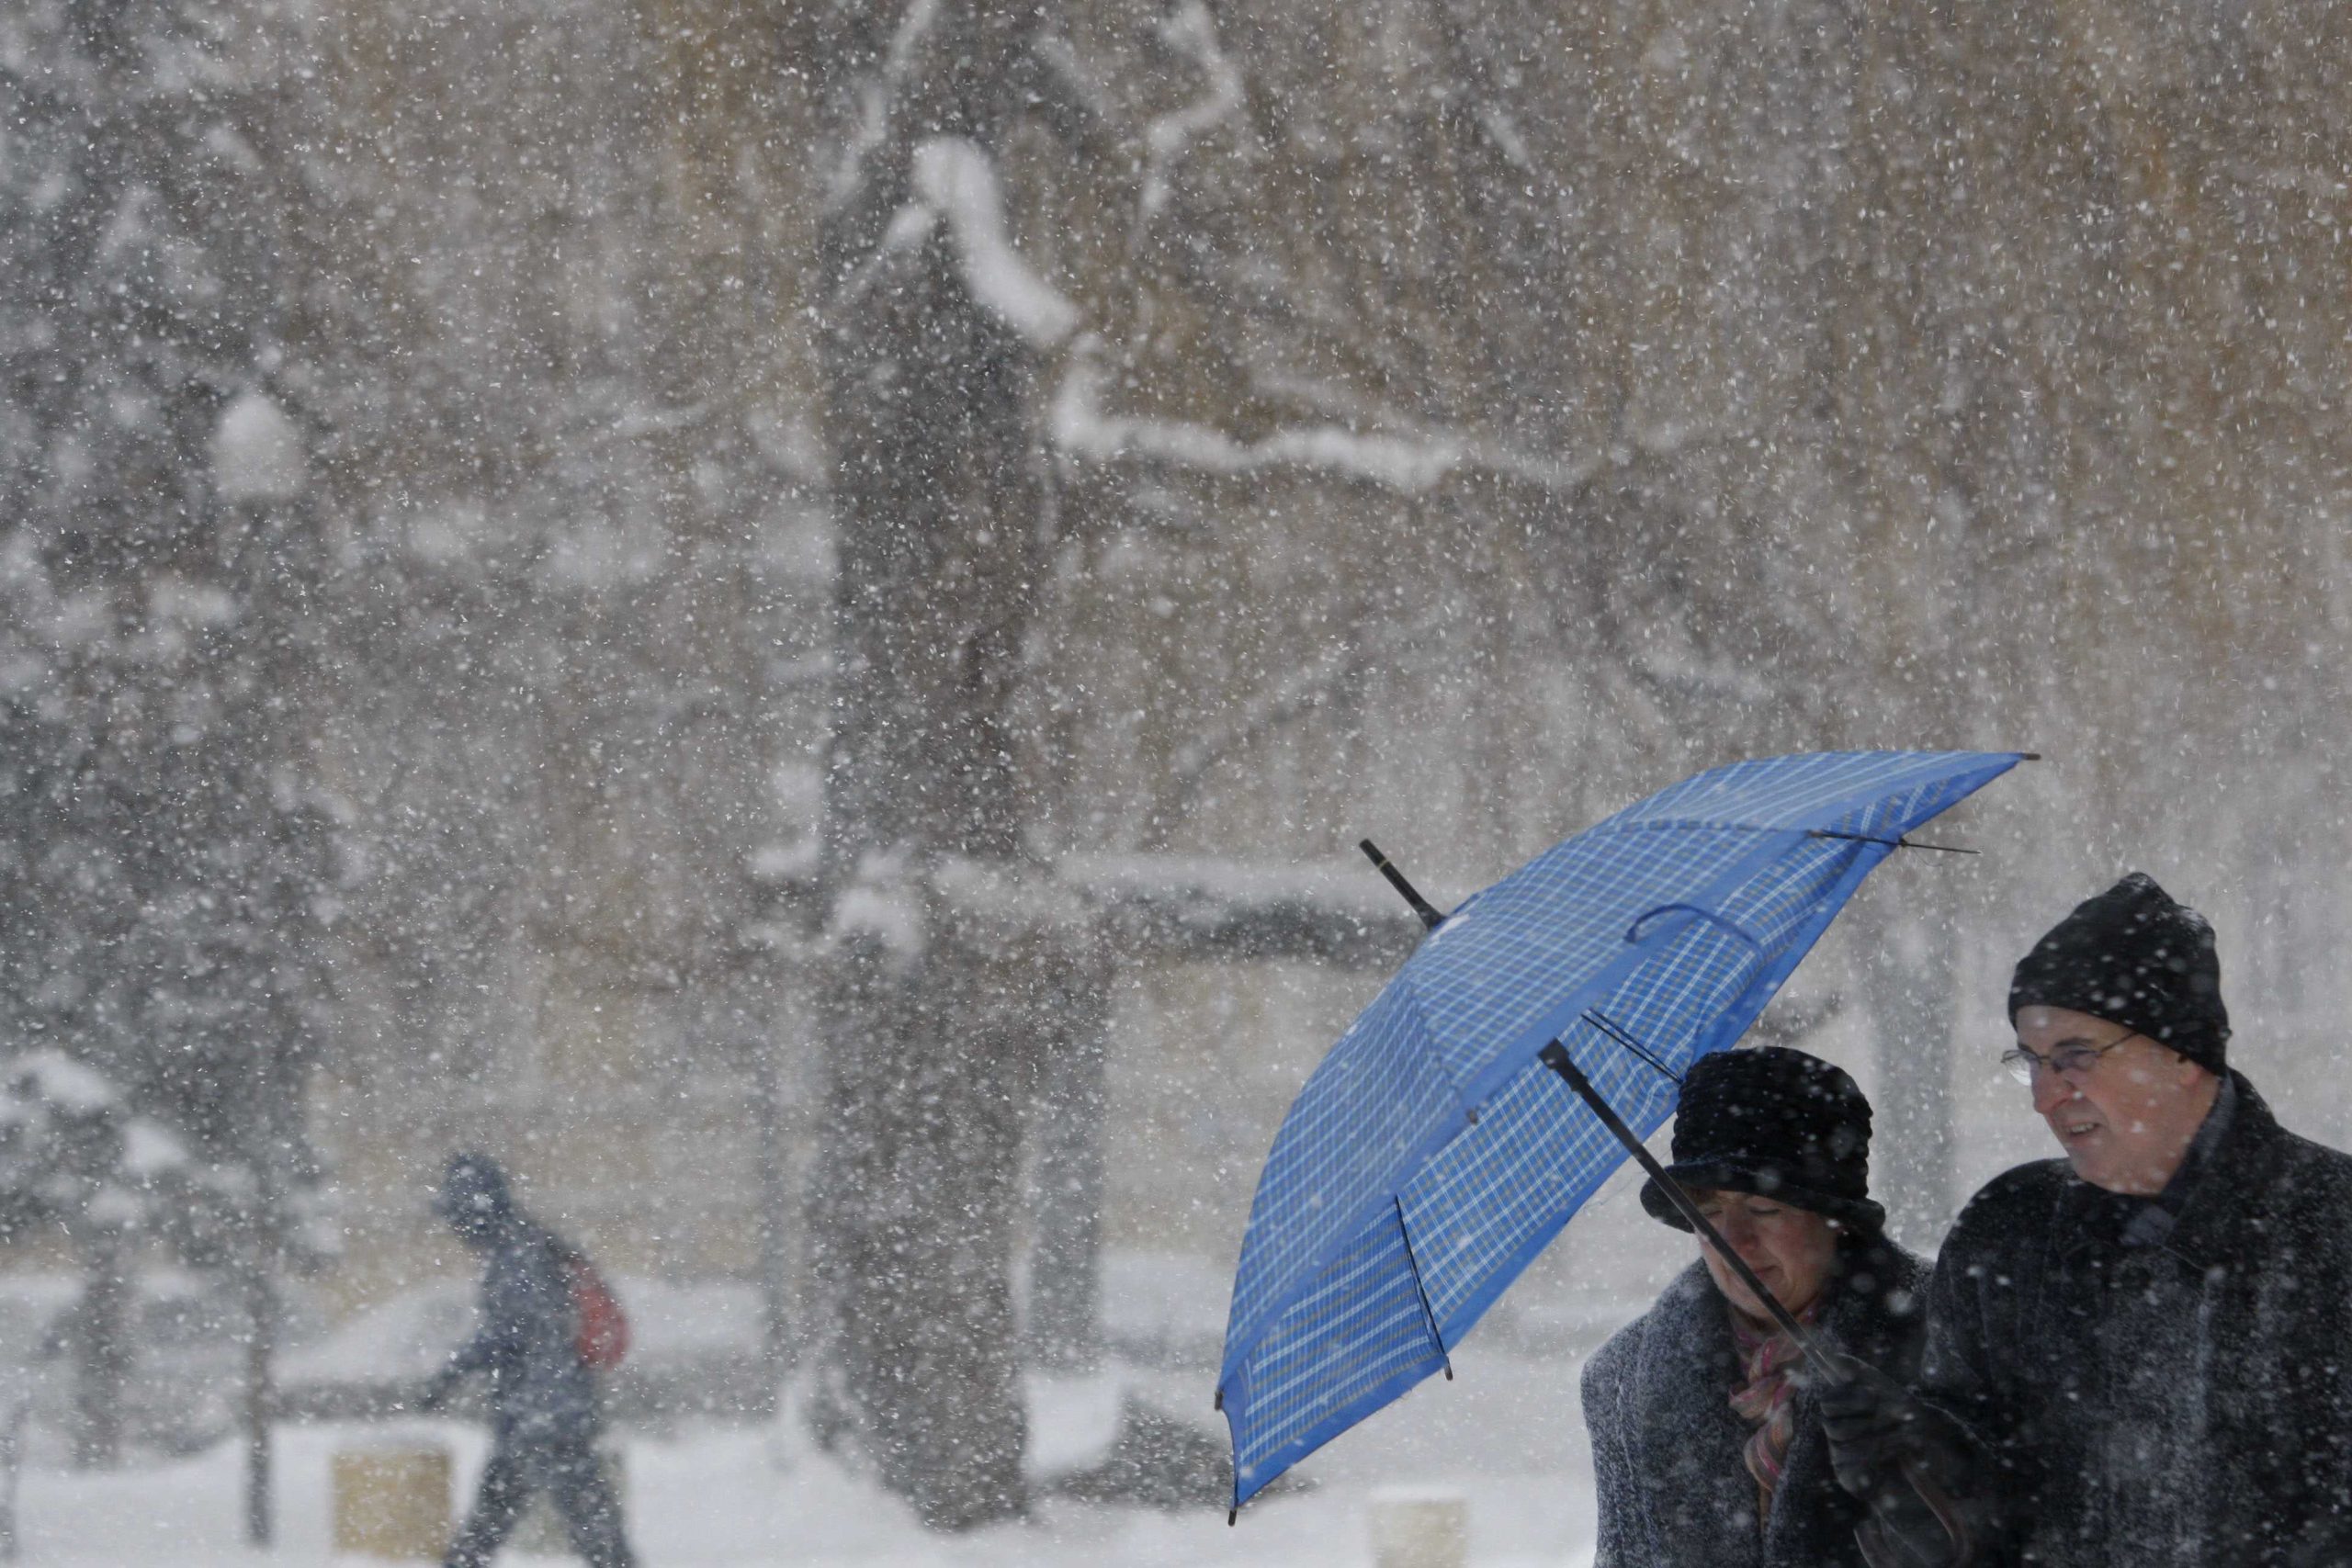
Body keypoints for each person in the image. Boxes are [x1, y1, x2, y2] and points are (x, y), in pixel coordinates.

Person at [1821, 873, 2352, 1567]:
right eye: (2032, 1061)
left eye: (2075, 1057)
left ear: (2185, 1054)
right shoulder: (2004, 1232)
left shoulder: (2332, 1228)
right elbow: (1981, 1523)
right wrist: (1925, 1470)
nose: (2045, 1096)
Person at [1581, 1045, 1930, 1567]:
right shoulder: (1623, 1378)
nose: (1734, 1240)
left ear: (1834, 1216)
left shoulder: (1953, 1338)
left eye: (1764, 1208)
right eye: (1710, 1210)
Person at [418, 1154, 637, 1568]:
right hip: (541, 1413)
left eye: (458, 1215)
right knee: (506, 1520)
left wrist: (451, 1373)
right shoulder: (525, 1246)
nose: (455, 1228)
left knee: (587, 1531)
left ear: (478, 1210)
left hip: (544, 1415)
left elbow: (510, 1334)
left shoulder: (519, 1255)